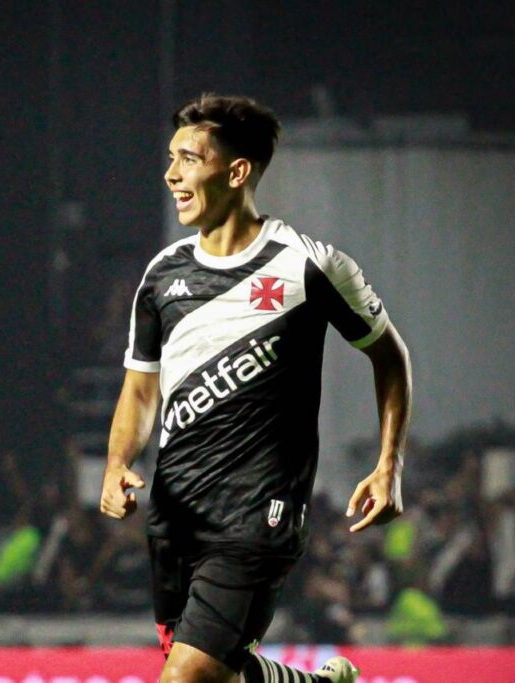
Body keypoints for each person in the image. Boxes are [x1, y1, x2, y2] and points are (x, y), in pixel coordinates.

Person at [98, 95, 412, 683]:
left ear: (236, 171)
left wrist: (388, 463)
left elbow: (389, 356)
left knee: (184, 679)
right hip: (176, 514)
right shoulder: (162, 274)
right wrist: (117, 462)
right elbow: (141, 389)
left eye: (188, 160)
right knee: (219, 674)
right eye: (171, 159)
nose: (171, 175)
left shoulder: (307, 267)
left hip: (259, 517)